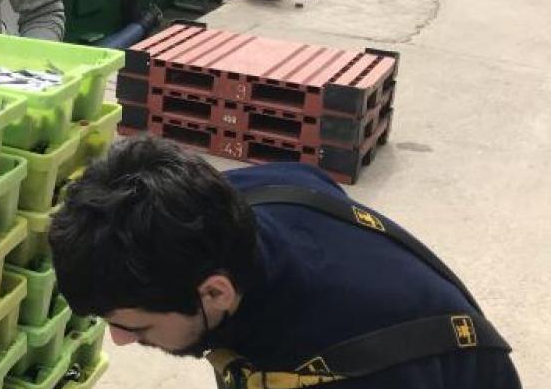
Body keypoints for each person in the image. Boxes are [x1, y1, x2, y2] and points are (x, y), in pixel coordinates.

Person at [49, 138, 522, 388]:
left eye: (139, 328)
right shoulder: (235, 203)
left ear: (216, 292)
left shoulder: (347, 366)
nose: (120, 340)